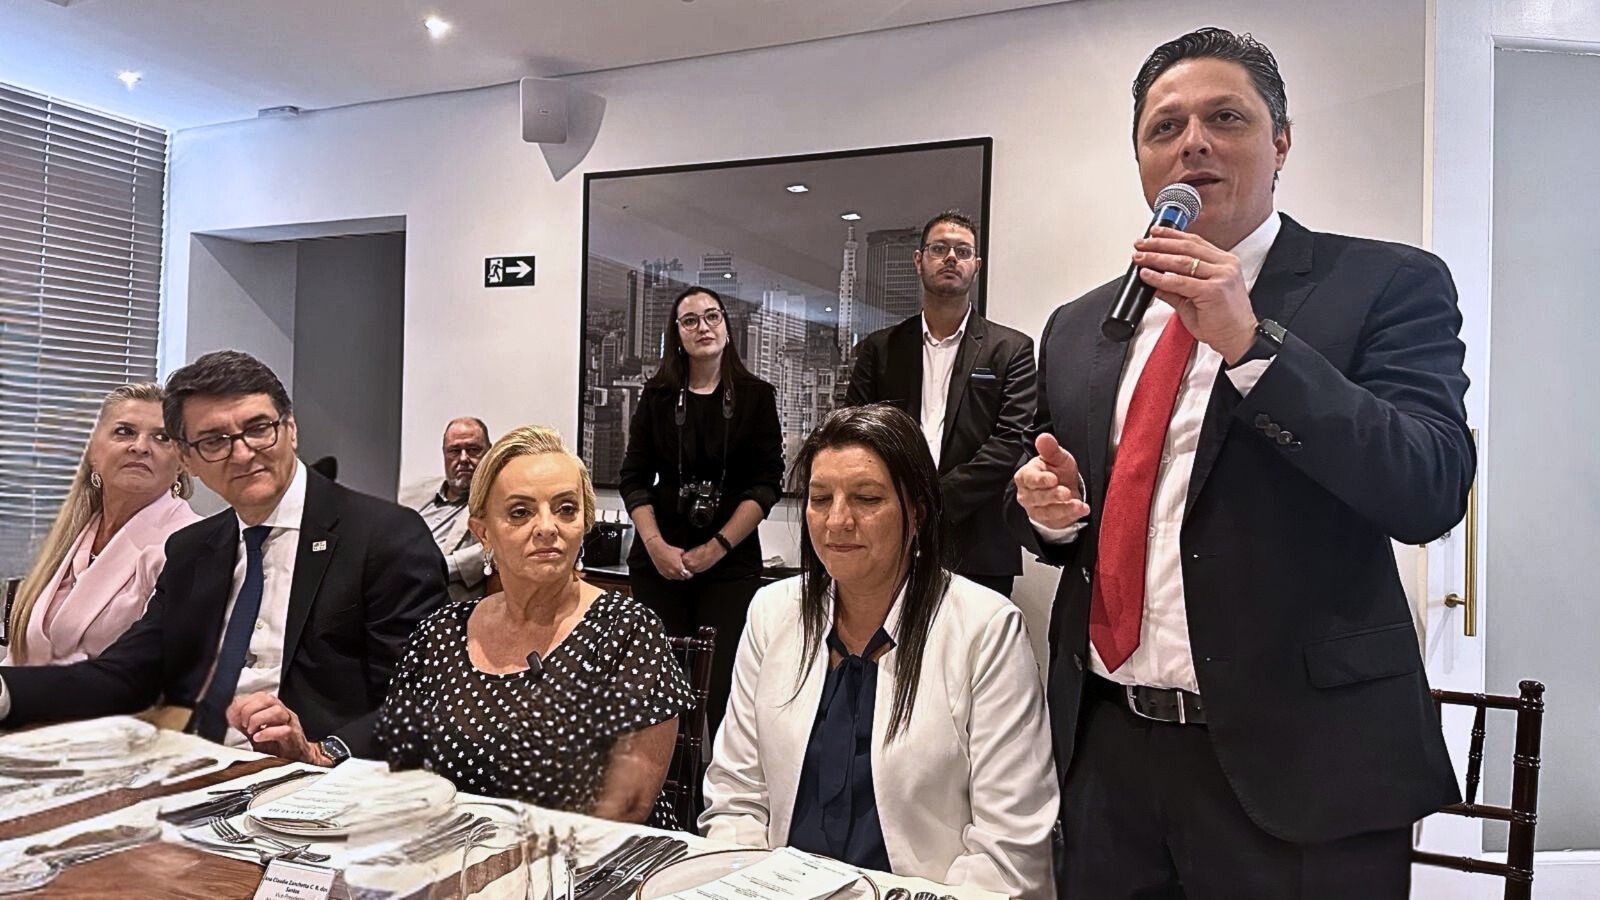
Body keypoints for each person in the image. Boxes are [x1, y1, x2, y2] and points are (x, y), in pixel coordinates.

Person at [1008, 28, 1470, 898]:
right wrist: (1045, 509)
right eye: (1165, 127)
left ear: (1281, 142)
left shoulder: (1385, 283)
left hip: (1305, 771)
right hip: (1108, 756)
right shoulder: (1079, 325)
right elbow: (1050, 506)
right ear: (1142, 161)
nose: (1193, 143)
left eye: (1226, 118)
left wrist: (1253, 346)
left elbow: (1429, 487)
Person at [0, 350, 447, 764]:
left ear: (291, 428)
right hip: (197, 770)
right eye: (214, 441)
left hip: (322, 782)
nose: (242, 453)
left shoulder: (383, 536)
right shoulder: (193, 549)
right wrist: (5, 692)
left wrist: (324, 751)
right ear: (188, 459)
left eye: (258, 428)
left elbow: (425, 695)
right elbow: (127, 674)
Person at [703, 405, 1055, 897]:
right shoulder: (772, 612)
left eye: (866, 498)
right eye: (820, 499)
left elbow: (1007, 850)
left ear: (917, 512)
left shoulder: (986, 629)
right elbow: (737, 797)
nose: (837, 521)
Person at [366, 427, 693, 826]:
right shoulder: (440, 634)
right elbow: (401, 768)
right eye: (520, 512)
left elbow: (626, 807)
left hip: (592, 855)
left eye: (566, 509)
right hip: (454, 846)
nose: (547, 527)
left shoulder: (626, 632)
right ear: (483, 532)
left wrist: (503, 855)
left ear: (585, 523)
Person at [844, 211, 1037, 597]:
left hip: (979, 544)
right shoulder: (878, 350)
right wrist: (899, 504)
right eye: (939, 249)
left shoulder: (1011, 349)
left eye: (962, 251)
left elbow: (1012, 441)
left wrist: (930, 503)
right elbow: (854, 437)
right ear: (919, 261)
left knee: (974, 640)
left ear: (976, 266)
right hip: (889, 538)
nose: (951, 258)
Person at [620, 286, 783, 738]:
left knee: (725, 691)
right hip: (660, 563)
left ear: (727, 327)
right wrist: (655, 546)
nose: (703, 327)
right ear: (677, 334)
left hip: (730, 565)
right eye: (690, 320)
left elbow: (767, 484)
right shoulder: (657, 396)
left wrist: (718, 546)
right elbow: (634, 478)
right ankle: (666, 780)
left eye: (712, 317)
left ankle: (721, 783)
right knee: (660, 694)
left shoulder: (756, 397)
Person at [4, 383, 199, 666]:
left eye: (162, 437)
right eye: (125, 431)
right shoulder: (70, 534)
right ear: (94, 452)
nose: (140, 447)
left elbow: (161, 672)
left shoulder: (191, 545)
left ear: (181, 463)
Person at [399, 417, 492, 601]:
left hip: (438, 599)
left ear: (489, 452)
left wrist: (439, 567)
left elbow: (501, 550)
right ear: (444, 453)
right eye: (454, 451)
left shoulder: (498, 499)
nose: (463, 459)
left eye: (473, 450)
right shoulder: (410, 494)